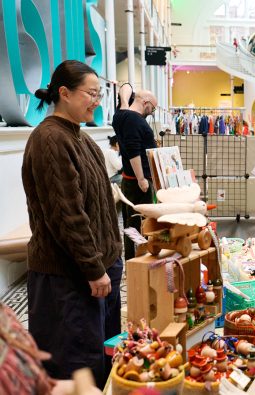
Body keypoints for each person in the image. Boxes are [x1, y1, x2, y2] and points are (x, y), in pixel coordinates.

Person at [22, 59, 123, 389]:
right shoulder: (50, 140)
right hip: (69, 279)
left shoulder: (80, 137)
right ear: (64, 93)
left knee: (99, 359)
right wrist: (94, 268)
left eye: (99, 93)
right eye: (90, 93)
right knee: (74, 368)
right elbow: (67, 215)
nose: (97, 100)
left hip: (96, 274)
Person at [112, 86, 158, 261]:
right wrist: (141, 178)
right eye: (152, 108)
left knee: (131, 222)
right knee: (141, 223)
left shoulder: (121, 115)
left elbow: (125, 87)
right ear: (145, 103)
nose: (151, 113)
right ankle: (138, 262)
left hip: (130, 180)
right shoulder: (134, 119)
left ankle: (134, 261)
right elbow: (133, 150)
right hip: (139, 181)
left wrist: (125, 101)